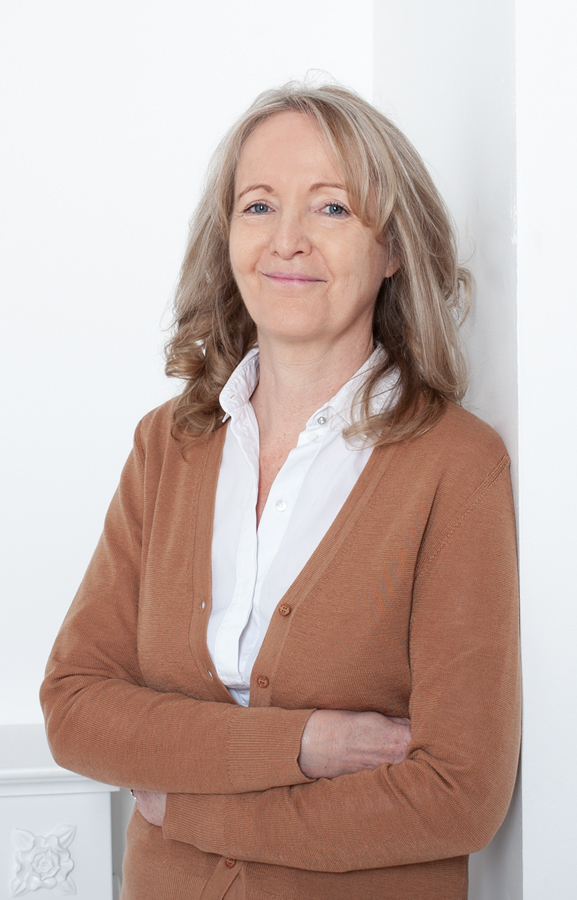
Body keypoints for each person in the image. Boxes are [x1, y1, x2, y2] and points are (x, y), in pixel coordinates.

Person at [41, 82, 521, 900]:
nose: (287, 240)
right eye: (258, 206)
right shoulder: (168, 445)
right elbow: (75, 708)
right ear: (226, 234)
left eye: (331, 208)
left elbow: (457, 796)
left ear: (392, 246)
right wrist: (302, 745)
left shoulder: (455, 465)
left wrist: (187, 807)